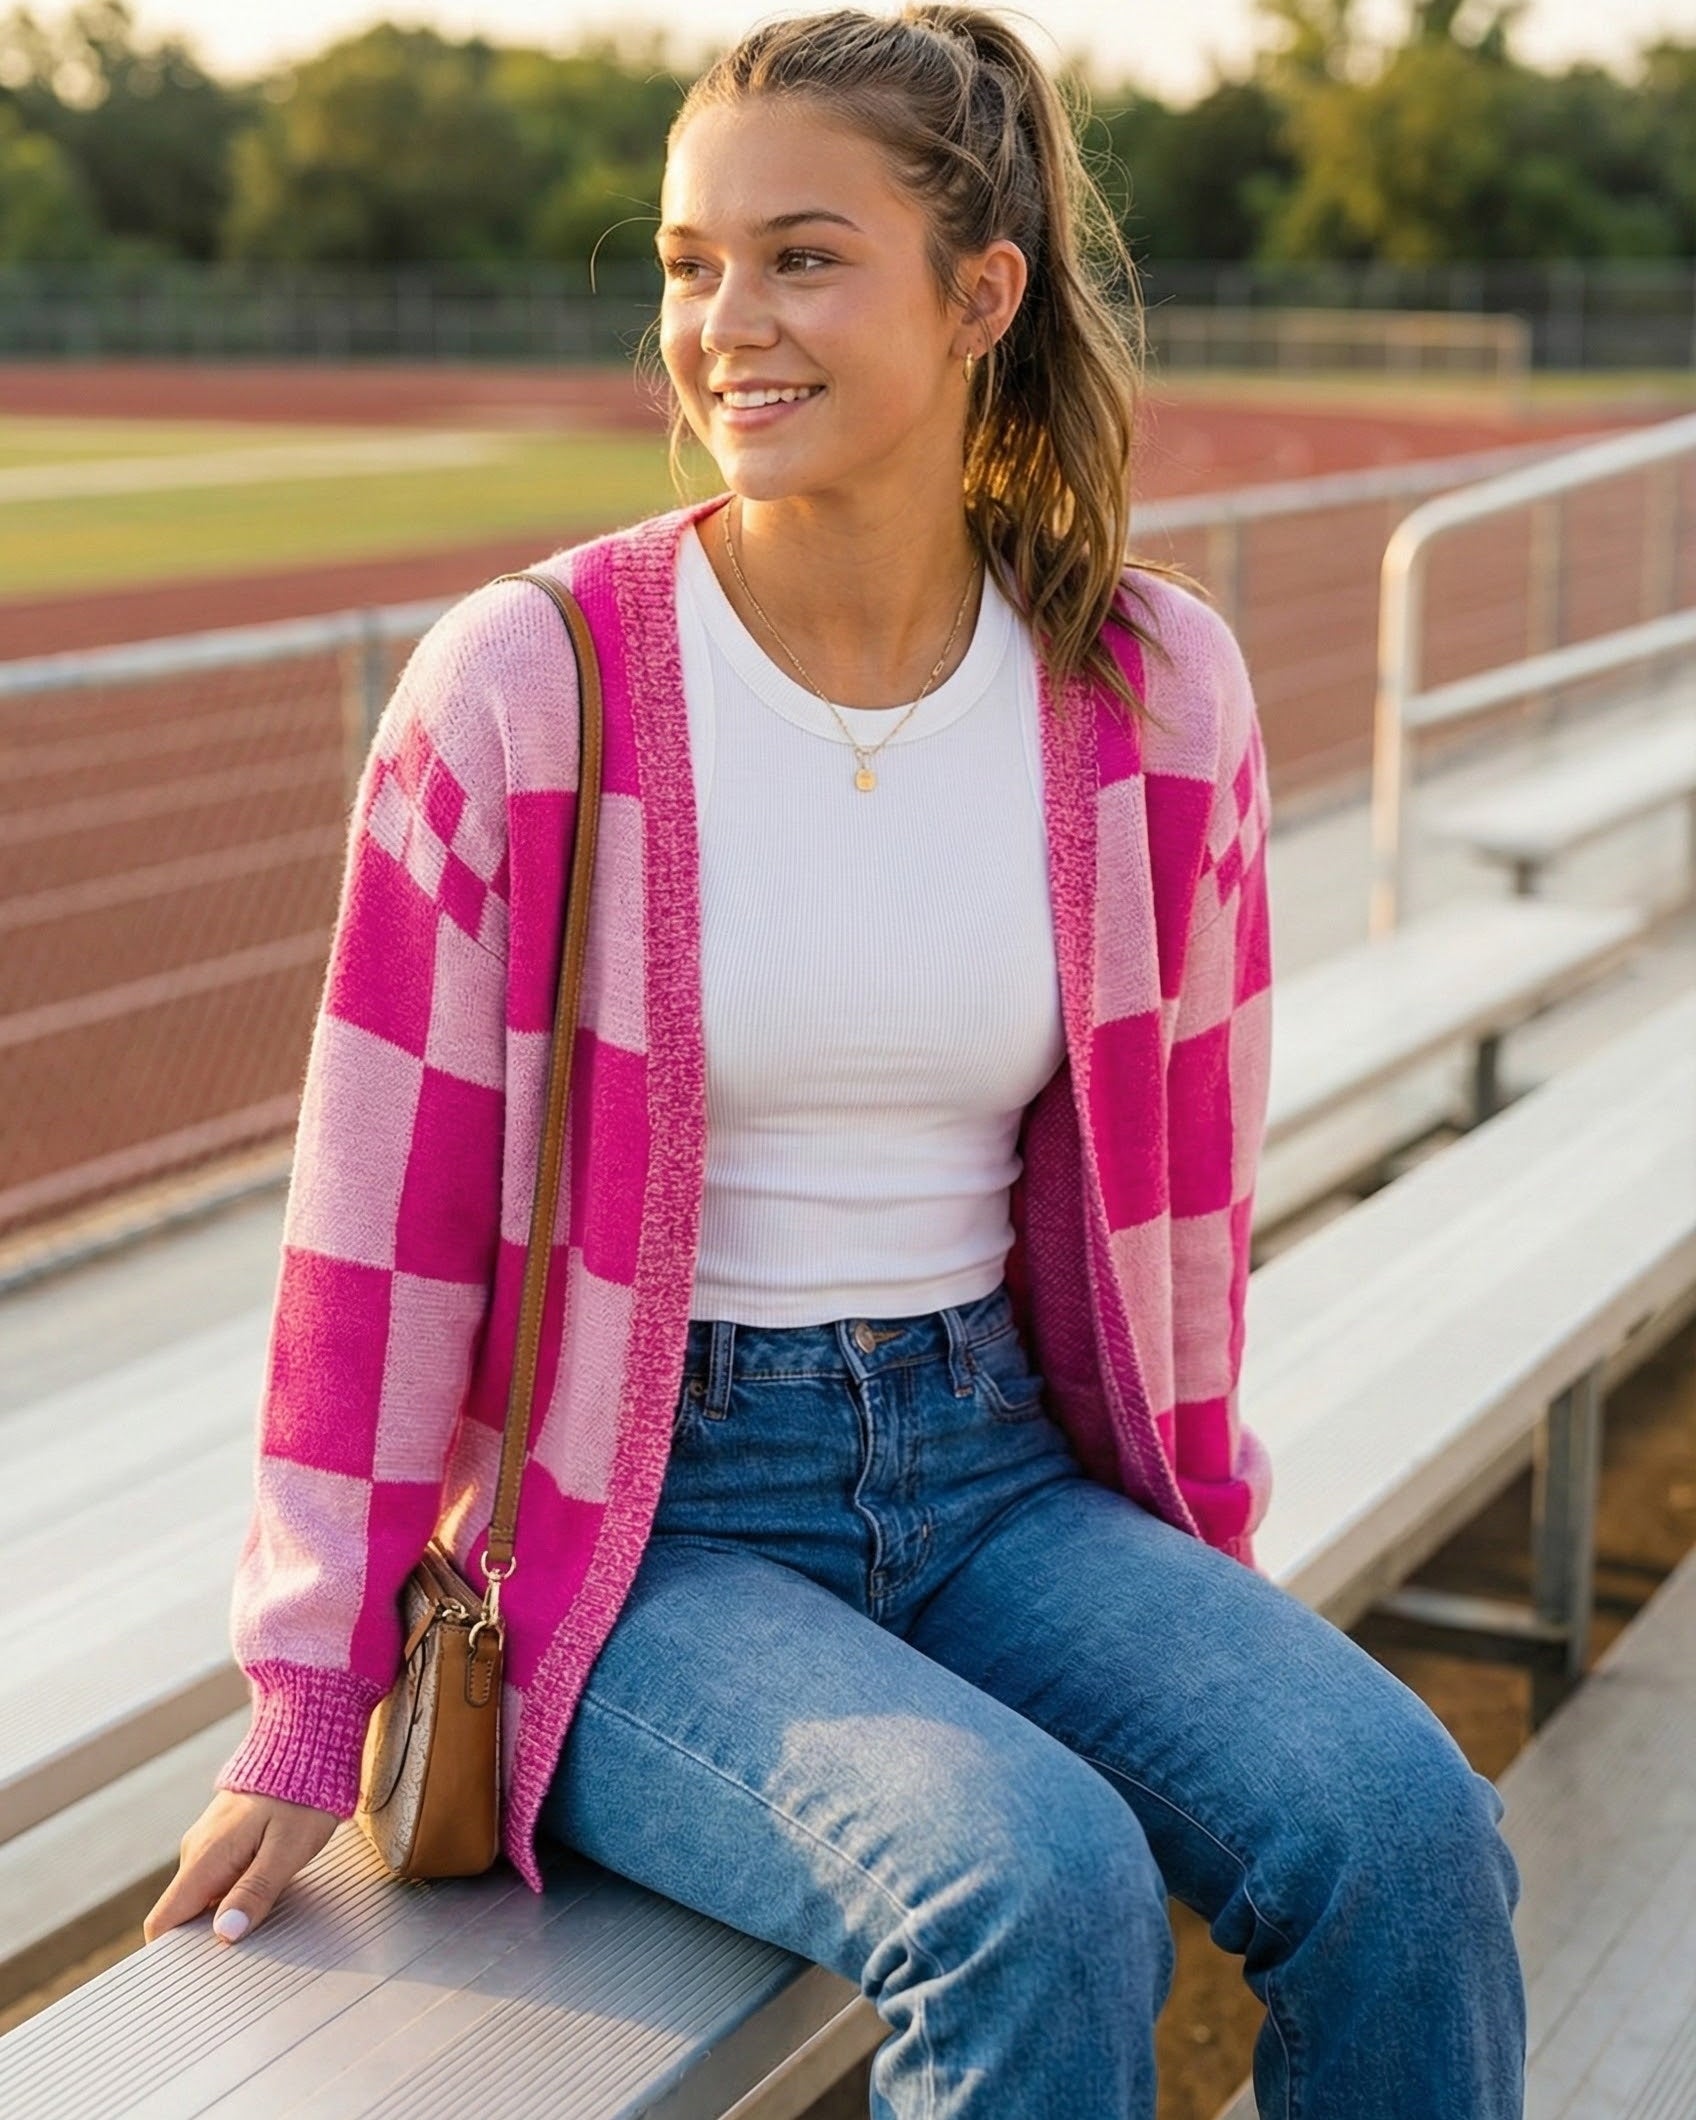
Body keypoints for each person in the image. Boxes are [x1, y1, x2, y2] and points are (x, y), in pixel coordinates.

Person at [144, 6, 1526, 2113]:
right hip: (644, 1527)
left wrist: (1201, 1570)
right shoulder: (532, 684)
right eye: (693, 265)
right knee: (1032, 1882)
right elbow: (376, 1228)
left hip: (1002, 1474)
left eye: (801, 256)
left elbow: (1184, 1198)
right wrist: (309, 1705)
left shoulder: (1150, 688)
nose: (724, 325)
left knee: (1402, 1824)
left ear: (981, 293)